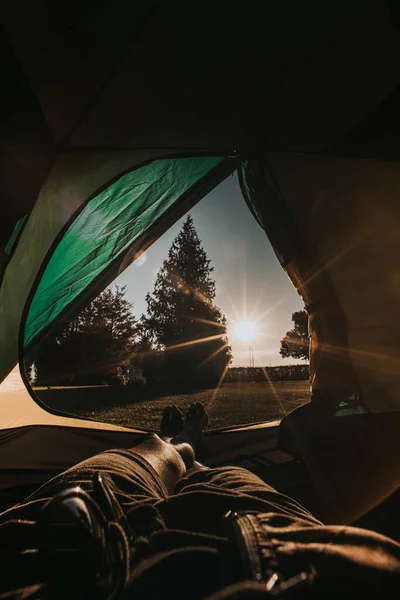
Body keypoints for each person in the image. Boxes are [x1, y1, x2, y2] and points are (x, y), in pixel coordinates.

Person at [0, 403, 399, 600]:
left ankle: (179, 442)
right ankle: (192, 446)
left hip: (45, 557)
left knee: (144, 454)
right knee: (224, 477)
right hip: (277, 548)